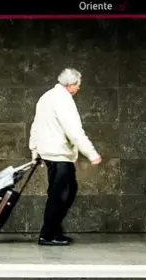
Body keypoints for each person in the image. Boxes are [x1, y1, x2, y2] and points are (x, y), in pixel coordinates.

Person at [28, 68, 101, 247]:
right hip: (59, 154)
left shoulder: (46, 97)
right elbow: (74, 130)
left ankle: (54, 231)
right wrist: (91, 153)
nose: (78, 89)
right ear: (69, 85)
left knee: (64, 192)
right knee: (60, 195)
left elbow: (35, 125)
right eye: (77, 85)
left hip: (50, 153)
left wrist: (35, 150)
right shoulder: (63, 100)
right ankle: (47, 234)